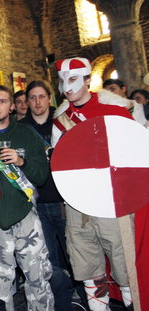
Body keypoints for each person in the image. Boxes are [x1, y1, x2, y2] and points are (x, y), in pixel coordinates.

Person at [52, 58, 133, 310]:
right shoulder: (60, 121)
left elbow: (133, 156)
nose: (67, 86)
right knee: (87, 263)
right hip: (78, 202)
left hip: (111, 199)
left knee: (123, 263)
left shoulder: (117, 113)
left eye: (74, 79)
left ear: (88, 79)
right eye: (62, 80)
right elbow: (59, 163)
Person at [0, 85, 54, 311]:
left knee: (37, 280)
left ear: (13, 107)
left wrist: (20, 162)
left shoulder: (26, 134)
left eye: (3, 101)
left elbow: (42, 176)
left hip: (25, 217)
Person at [19, 80, 75, 310]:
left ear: (49, 98)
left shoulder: (63, 122)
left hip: (66, 202)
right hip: (38, 204)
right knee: (49, 263)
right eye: (32, 97)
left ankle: (89, 301)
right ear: (27, 101)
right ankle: (64, 306)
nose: (37, 101)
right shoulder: (22, 129)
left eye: (42, 96)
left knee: (76, 258)